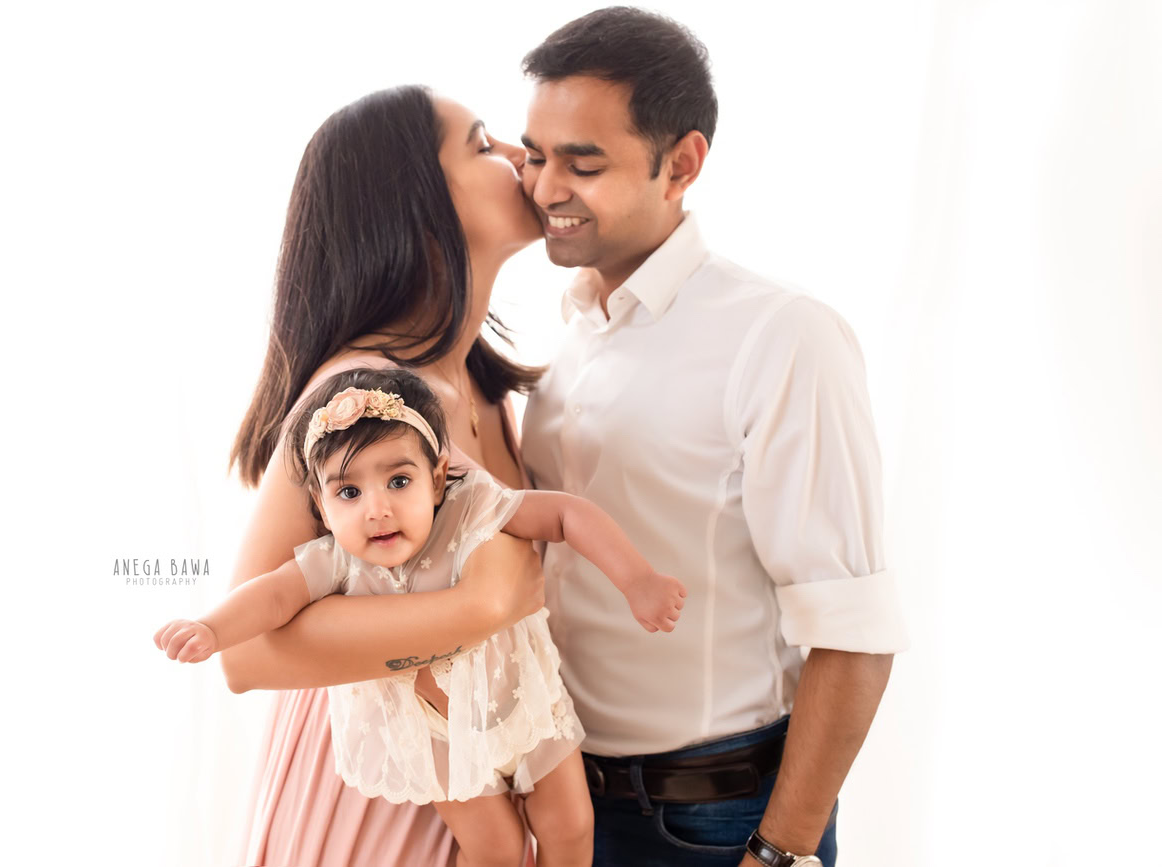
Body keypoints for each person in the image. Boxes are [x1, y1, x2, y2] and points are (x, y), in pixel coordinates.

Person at [517, 9, 911, 866]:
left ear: (683, 164)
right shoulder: (567, 333)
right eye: (535, 154)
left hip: (715, 825)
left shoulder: (781, 335)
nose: (545, 186)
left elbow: (856, 629)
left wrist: (781, 853)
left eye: (583, 162)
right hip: (566, 816)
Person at [222, 85, 558, 866]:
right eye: (482, 143)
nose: (519, 157)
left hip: (471, 772)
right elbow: (246, 654)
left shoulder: (483, 389)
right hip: (374, 791)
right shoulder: (361, 387)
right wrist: (480, 606)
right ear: (414, 203)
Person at [160, 368, 685, 866]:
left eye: (398, 481)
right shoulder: (334, 560)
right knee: (495, 848)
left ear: (436, 480)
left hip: (521, 703)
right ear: (322, 509)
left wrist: (636, 580)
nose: (376, 508)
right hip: (431, 736)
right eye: (349, 492)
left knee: (569, 825)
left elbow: (566, 513)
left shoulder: (470, 507)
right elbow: (270, 597)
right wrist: (212, 628)